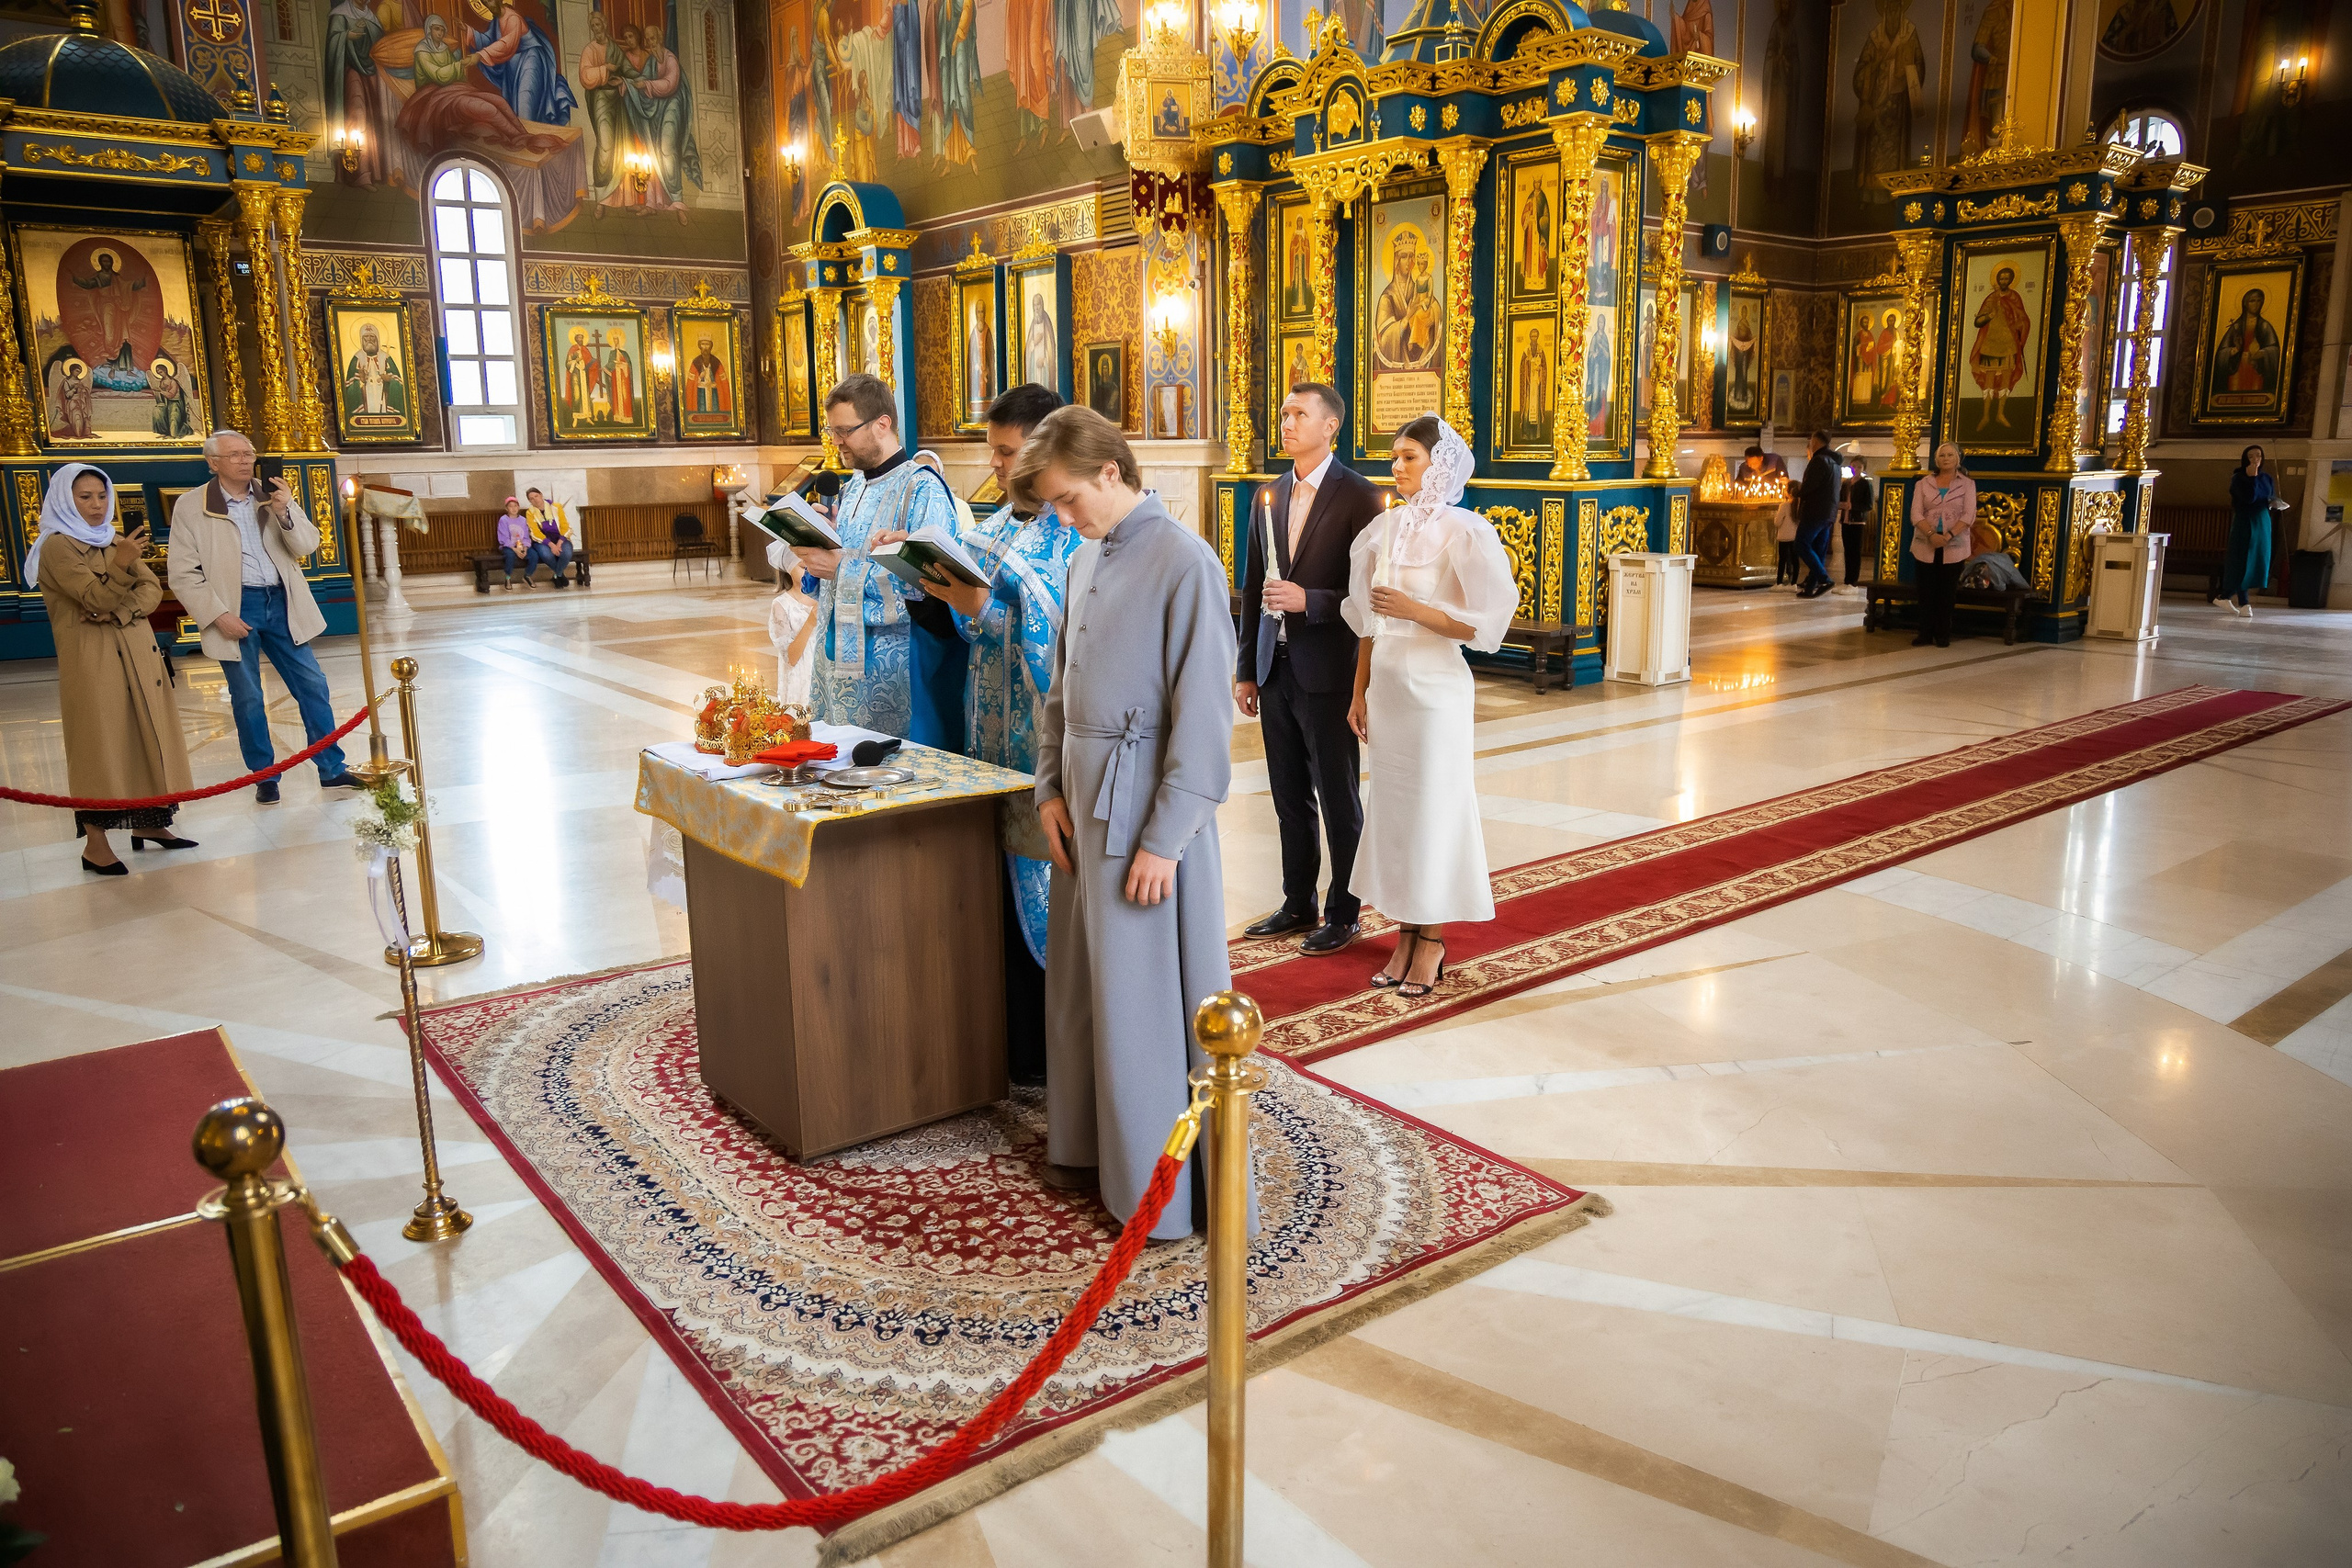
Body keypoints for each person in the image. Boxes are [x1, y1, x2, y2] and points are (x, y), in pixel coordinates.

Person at [1023, 406, 1240, 1237]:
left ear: (1111, 472)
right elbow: (1060, 689)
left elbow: (1204, 722)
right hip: (1082, 804)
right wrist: (1049, 788)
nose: (1066, 519)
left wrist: (1164, 839)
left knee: (1145, 1001)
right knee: (1084, 987)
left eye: (1071, 499)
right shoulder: (1086, 559)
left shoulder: (1187, 562)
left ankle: (1161, 1194)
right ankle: (1093, 1150)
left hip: (1147, 811)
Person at [908, 385, 1074, 1087]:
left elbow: (1066, 633)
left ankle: (1049, 1056)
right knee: (997, 897)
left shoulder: (1075, 529)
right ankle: (1004, 1048)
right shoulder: (993, 524)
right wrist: (930, 578)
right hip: (986, 741)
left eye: (1008, 453)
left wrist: (1001, 592)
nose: (998, 466)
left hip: (1043, 747)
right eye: (994, 452)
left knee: (1043, 898)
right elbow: (974, 624)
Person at [1341, 416, 1516, 996]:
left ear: (1437, 464)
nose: (1397, 466)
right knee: (1395, 816)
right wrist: (1360, 689)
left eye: (1409, 456)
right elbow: (1366, 620)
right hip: (1388, 690)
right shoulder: (1381, 529)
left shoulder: (1465, 531)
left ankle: (1432, 940)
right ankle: (1405, 934)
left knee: (1433, 815)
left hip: (1437, 692)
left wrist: (1415, 609)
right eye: (1394, 457)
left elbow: (1482, 627)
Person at [1237, 383, 1383, 955]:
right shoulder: (1267, 496)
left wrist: (1311, 601)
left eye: (1300, 414)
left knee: (1338, 794)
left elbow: (1367, 592)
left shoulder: (1360, 497)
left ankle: (1344, 912)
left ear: (1330, 427)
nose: (1287, 421)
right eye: (1284, 412)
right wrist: (1246, 667)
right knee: (1288, 794)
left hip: (1329, 668)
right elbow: (1252, 587)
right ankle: (1298, 901)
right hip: (1275, 666)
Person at [167, 431, 362, 802]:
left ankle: (332, 769)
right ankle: (265, 776)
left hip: (282, 603)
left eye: (249, 453)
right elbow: (182, 572)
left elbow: (307, 545)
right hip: (236, 608)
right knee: (248, 697)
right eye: (235, 455)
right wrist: (217, 615)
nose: (245, 460)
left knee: (313, 686)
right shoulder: (191, 506)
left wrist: (285, 511)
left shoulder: (271, 495)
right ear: (213, 463)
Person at [30, 465, 197, 874]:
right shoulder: (57, 547)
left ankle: (149, 824)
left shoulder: (112, 540)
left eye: (101, 496)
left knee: (146, 735)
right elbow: (93, 596)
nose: (95, 505)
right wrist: (121, 567)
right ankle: (96, 844)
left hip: (138, 654)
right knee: (99, 745)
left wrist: (119, 613)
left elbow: (152, 589)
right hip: (94, 660)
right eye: (84, 497)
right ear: (65, 500)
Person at [794, 373, 967, 749]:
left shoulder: (923, 489)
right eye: (831, 430)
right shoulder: (854, 484)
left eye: (843, 431)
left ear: (882, 425)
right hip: (836, 663)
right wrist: (817, 550)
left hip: (893, 672)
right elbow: (839, 567)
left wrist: (840, 566)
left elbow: (931, 584)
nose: (835, 441)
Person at [1910, 443, 1975, 648]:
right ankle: (1925, 632)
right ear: (1936, 460)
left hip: (1954, 544)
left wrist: (1948, 535)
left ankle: (1943, 633)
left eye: (1950, 455)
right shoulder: (1923, 484)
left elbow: (1968, 515)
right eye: (1942, 456)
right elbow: (1916, 514)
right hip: (1926, 542)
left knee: (1946, 592)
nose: (1946, 459)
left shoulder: (1967, 484)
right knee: (1926, 591)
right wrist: (1931, 534)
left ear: (1958, 459)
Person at [2217, 445, 2277, 618]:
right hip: (2246, 521)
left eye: (2258, 455)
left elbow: (2267, 497)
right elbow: (2248, 498)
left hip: (2262, 521)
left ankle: (2227, 597)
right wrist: (2252, 478)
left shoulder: (2267, 478)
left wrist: (2274, 503)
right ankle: (2242, 602)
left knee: (2258, 560)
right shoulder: (2239, 478)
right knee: (2243, 559)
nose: (2255, 459)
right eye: (2251, 456)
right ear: (2245, 459)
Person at [1793, 430, 1840, 597]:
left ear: (1815, 442)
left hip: (1815, 511)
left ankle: (1824, 578)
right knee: (1819, 550)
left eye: (1811, 440)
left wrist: (1796, 490)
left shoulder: (1819, 461)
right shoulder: (1834, 462)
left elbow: (1809, 487)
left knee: (1801, 544)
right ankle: (1811, 587)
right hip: (1828, 513)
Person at [521, 487, 575, 585]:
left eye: (536, 496)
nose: (535, 499)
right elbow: (534, 532)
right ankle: (560, 575)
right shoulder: (530, 512)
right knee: (547, 555)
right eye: (531, 498)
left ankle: (557, 575)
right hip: (543, 541)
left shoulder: (556, 507)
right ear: (529, 501)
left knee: (566, 553)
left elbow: (565, 526)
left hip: (560, 539)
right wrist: (551, 545)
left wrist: (559, 543)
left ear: (541, 495)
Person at [1840, 453, 1875, 592]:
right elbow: (1840, 499)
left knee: (1855, 552)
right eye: (1853, 466)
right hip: (1846, 520)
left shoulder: (1866, 483)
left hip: (1857, 521)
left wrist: (1853, 506)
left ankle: (1853, 581)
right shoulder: (1846, 483)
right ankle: (1846, 580)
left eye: (1859, 467)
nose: (1856, 469)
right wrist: (1840, 505)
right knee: (1847, 551)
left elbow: (1869, 505)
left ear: (1863, 468)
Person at [494, 496, 537, 588]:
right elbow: (504, 537)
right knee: (510, 555)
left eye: (515, 506)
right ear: (506, 508)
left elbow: (526, 536)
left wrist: (525, 548)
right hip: (509, 547)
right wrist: (515, 549)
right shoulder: (504, 520)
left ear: (518, 507)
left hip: (521, 545)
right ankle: (508, 577)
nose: (513, 508)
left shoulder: (523, 520)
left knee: (534, 555)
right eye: (510, 506)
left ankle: (527, 575)